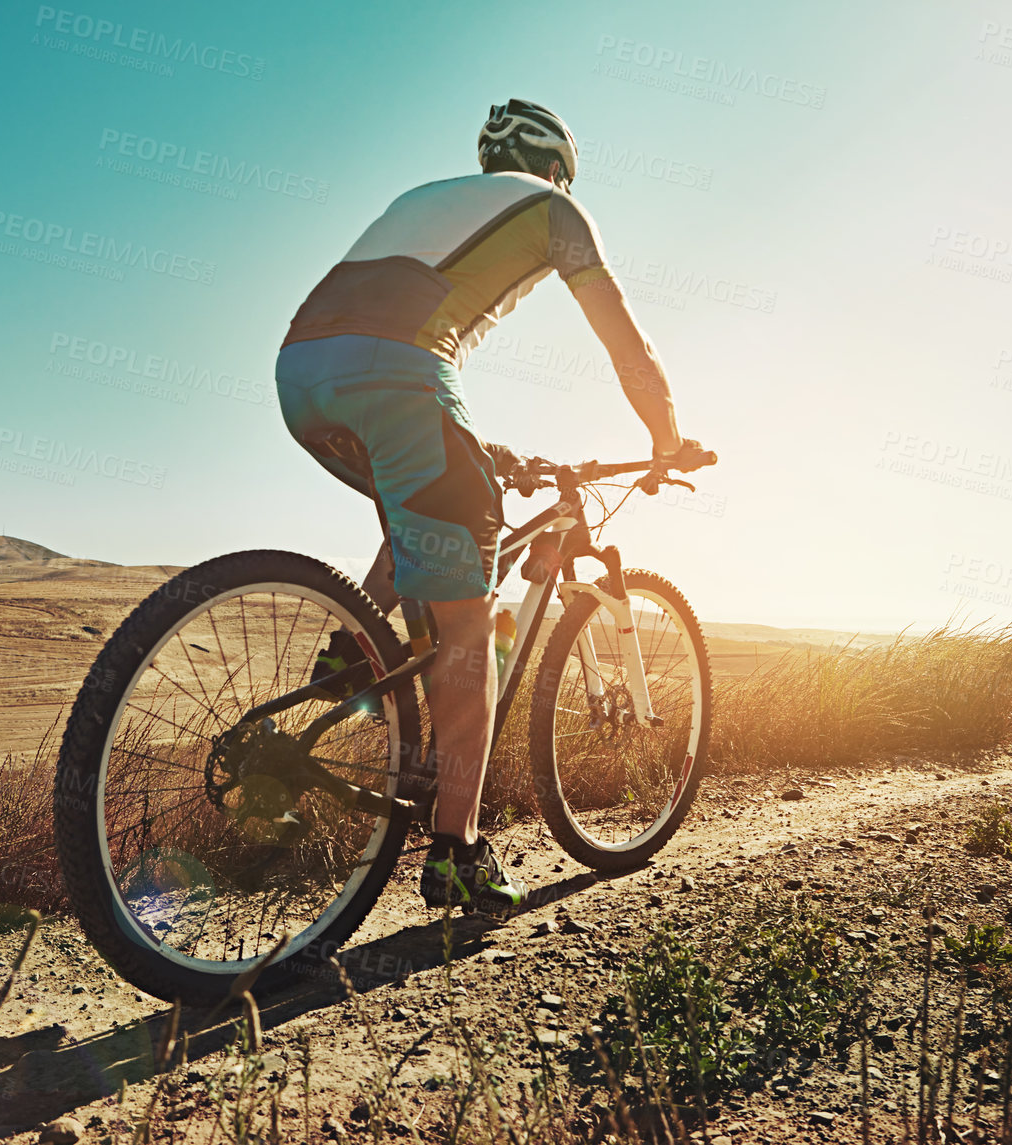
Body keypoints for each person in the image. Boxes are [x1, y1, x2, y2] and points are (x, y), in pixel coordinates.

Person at [275, 98, 705, 912]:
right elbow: (626, 343)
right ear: (556, 168)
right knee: (472, 628)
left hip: (300, 374)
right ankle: (456, 852)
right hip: (398, 374)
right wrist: (667, 435)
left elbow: (383, 320)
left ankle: (354, 653)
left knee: (428, 511)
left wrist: (489, 451)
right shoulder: (554, 209)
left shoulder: (423, 202)